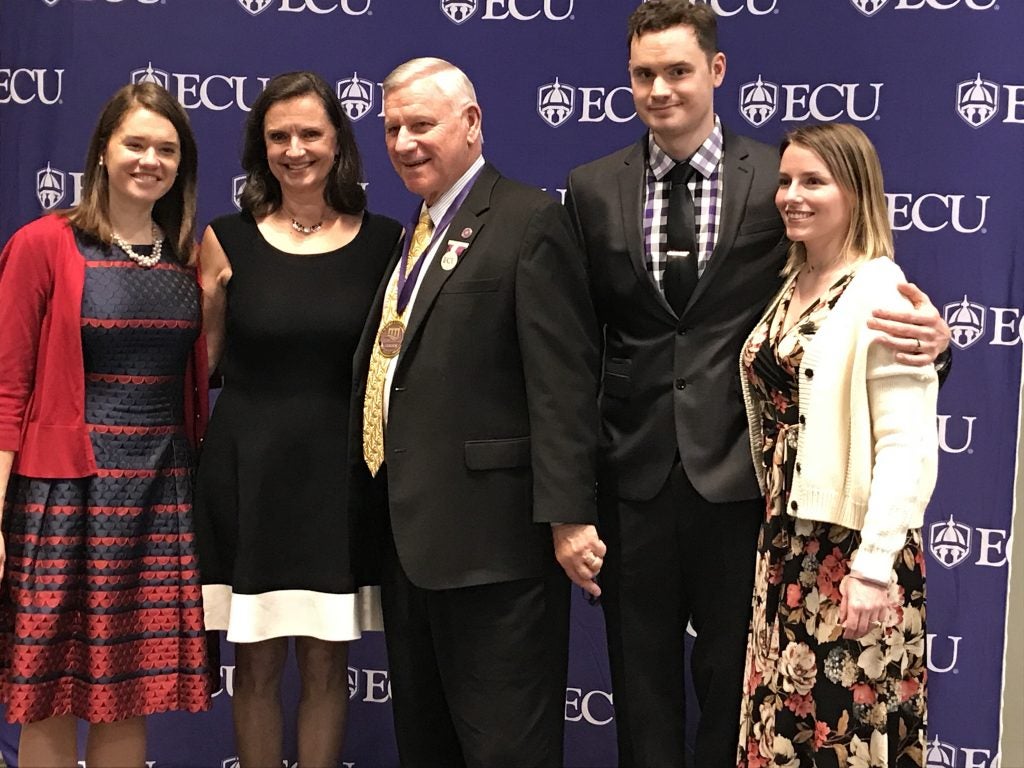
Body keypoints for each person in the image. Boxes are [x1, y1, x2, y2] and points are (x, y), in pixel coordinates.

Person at [563, 2, 950, 766]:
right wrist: (570, 503)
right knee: (644, 697)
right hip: (634, 483)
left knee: (747, 697)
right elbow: (571, 350)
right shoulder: (591, 186)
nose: (660, 88)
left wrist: (935, 349)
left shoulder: (776, 180)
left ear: (716, 70)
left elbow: (860, 309)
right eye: (644, 73)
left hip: (747, 495)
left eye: (678, 70)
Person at [347, 57, 602, 768]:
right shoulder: (418, 232)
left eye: (421, 125)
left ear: (471, 122)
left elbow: (563, 383)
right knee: (427, 748)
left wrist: (569, 515)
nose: (403, 143)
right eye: (393, 128)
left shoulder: (527, 221)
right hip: (412, 546)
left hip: (496, 552)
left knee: (504, 751)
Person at [193, 71, 402, 768]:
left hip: (337, 481)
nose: (295, 149)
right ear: (260, 148)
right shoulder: (223, 241)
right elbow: (202, 367)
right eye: (278, 135)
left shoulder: (385, 243)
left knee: (325, 670)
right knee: (252, 671)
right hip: (249, 476)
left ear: (337, 141)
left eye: (310, 133)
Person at [0, 82, 210, 767]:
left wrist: (218, 298)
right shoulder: (43, 244)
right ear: (102, 151)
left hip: (158, 493)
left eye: (167, 149)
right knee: (53, 693)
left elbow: (201, 375)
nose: (150, 159)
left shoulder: (186, 257)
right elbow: (7, 391)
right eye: (136, 143)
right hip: (65, 497)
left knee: (130, 694)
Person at [736, 122, 935, 767]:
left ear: (856, 192)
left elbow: (907, 443)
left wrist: (874, 568)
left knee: (839, 732)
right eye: (786, 181)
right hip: (787, 547)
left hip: (848, 555)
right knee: (784, 730)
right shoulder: (797, 278)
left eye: (813, 181)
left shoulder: (880, 289)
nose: (792, 194)